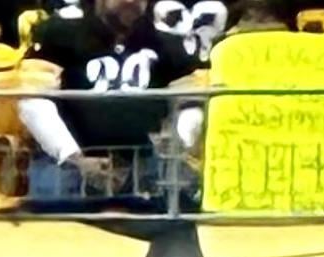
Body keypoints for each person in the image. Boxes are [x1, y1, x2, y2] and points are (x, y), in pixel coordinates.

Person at [21, 0, 200, 206]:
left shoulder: (165, 43)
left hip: (144, 170)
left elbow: (192, 100)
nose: (132, 1)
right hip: (67, 172)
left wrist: (181, 139)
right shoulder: (58, 35)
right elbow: (32, 99)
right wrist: (73, 156)